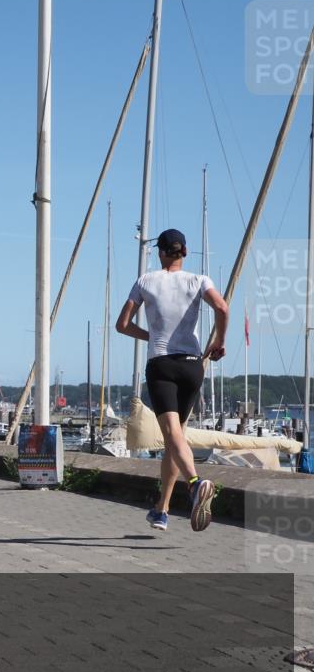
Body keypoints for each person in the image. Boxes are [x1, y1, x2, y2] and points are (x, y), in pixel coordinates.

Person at [116, 228, 229, 532]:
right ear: (185, 252)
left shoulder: (146, 281)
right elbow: (222, 307)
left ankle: (195, 484)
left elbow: (122, 325)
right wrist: (219, 342)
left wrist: (151, 335)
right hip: (193, 366)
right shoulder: (199, 280)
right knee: (174, 438)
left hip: (162, 365)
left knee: (172, 435)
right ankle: (162, 509)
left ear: (160, 252)